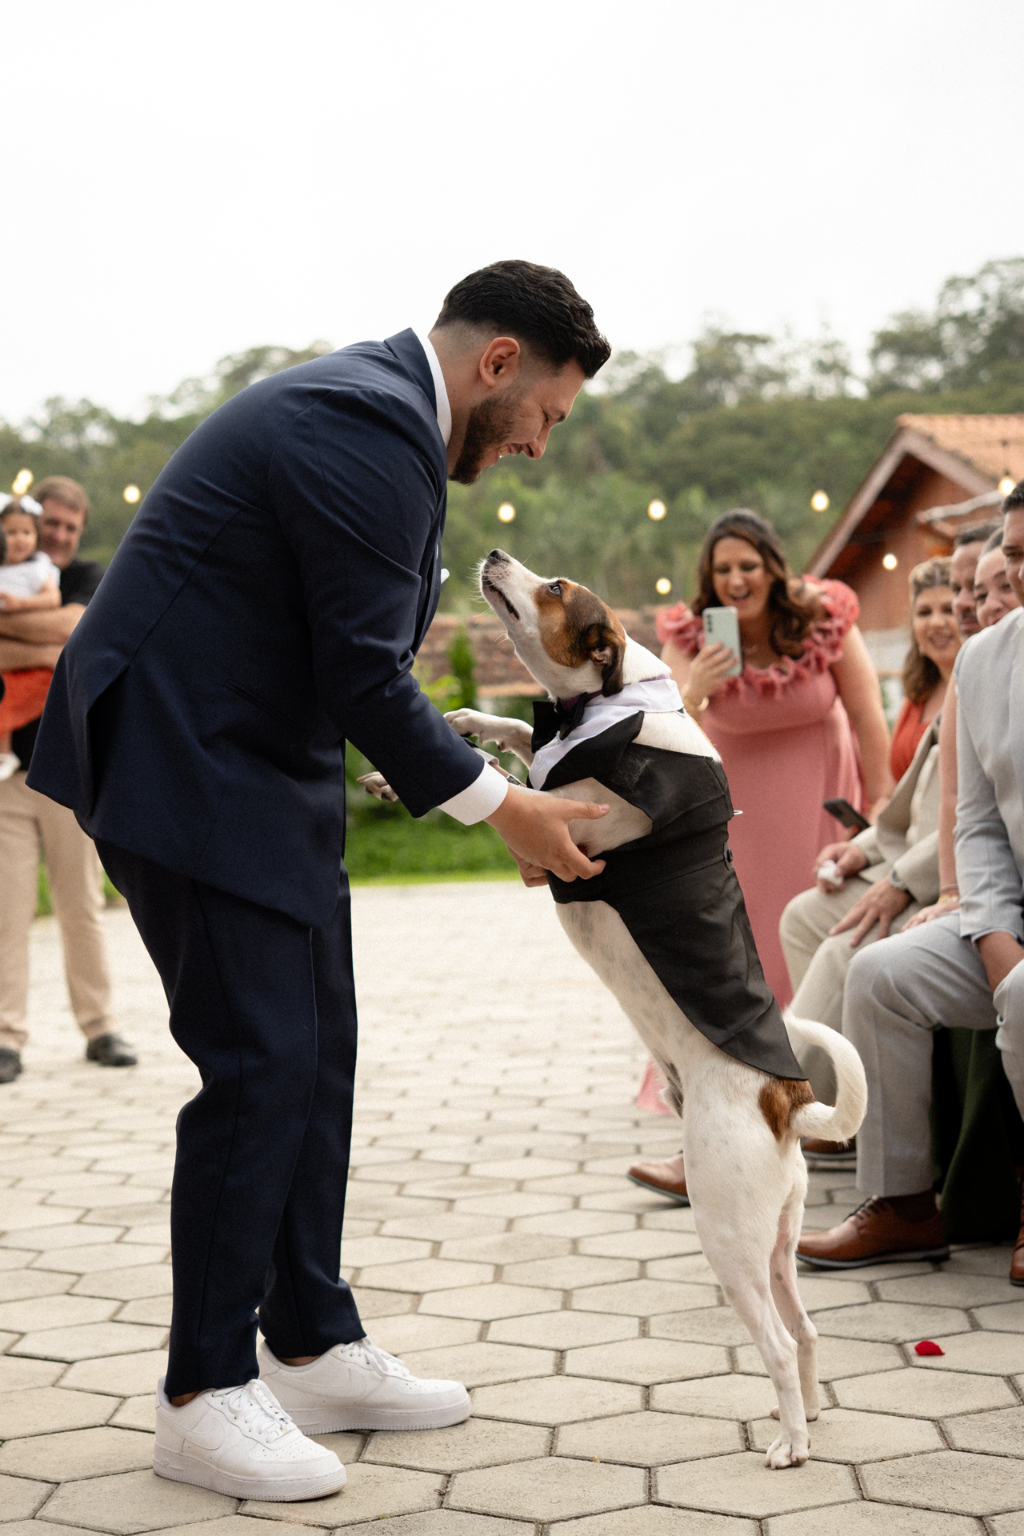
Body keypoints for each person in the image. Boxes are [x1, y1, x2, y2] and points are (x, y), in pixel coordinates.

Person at [27, 261, 614, 1501]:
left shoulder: (391, 420)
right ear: (498, 363)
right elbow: (363, 671)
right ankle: (200, 1392)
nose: (539, 448)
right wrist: (501, 808)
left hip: (254, 765)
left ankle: (308, 1338)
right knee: (261, 1065)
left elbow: (344, 653)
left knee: (320, 1048)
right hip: (184, 758)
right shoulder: (368, 421)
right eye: (549, 417)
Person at [796, 481, 1024, 1282]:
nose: (1013, 578)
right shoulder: (986, 661)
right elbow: (979, 822)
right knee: (880, 973)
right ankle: (902, 1206)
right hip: (1002, 916)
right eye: (1013, 555)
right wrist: (993, 932)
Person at [626, 509, 890, 1196]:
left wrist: (883, 814)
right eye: (723, 570)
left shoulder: (825, 619)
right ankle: (719, 1138)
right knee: (736, 968)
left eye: (748, 565)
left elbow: (866, 717)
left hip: (818, 813)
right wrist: (700, 687)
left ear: (775, 567)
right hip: (736, 823)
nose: (736, 580)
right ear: (708, 580)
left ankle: (798, 1115)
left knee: (805, 950)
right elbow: (665, 728)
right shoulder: (691, 635)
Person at [776, 558, 959, 1164]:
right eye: (927, 609)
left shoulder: (982, 682)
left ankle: (774, 1107)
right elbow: (909, 806)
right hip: (903, 853)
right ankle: (837, 1110)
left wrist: (902, 883)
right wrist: (863, 847)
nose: (941, 619)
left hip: (941, 873)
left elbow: (967, 818)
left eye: (957, 601)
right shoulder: (922, 692)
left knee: (840, 946)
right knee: (802, 915)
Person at [0, 476, 134, 1084]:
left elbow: (74, 634)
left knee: (81, 906)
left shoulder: (89, 575)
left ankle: (100, 1027)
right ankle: (7, 1036)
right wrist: (51, 638)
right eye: (48, 523)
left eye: (68, 529)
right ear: (31, 520)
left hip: (72, 770)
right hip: (7, 776)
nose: (56, 535)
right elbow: (56, 639)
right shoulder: (11, 562)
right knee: (7, 912)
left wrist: (22, 633)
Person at [0, 496, 61, 779]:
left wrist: (18, 607)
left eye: (26, 532)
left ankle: (4, 754)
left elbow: (52, 598)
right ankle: (4, 752)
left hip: (28, 659)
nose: (20, 539)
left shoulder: (38, 567)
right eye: (11, 533)